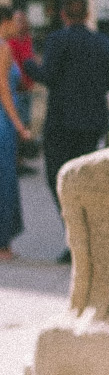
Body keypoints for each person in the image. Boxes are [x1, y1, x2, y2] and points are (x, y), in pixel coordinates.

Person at [23, 0, 109, 261]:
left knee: (57, 178)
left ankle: (74, 235)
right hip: (92, 123)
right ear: (88, 14)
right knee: (85, 178)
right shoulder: (102, 43)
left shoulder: (57, 40)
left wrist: (28, 64)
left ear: (64, 15)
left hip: (62, 123)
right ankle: (85, 237)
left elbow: (48, 76)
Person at [0, 18, 32, 257]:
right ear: (5, 21)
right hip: (3, 119)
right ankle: (3, 245)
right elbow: (3, 88)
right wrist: (19, 124)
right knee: (5, 180)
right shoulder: (4, 47)